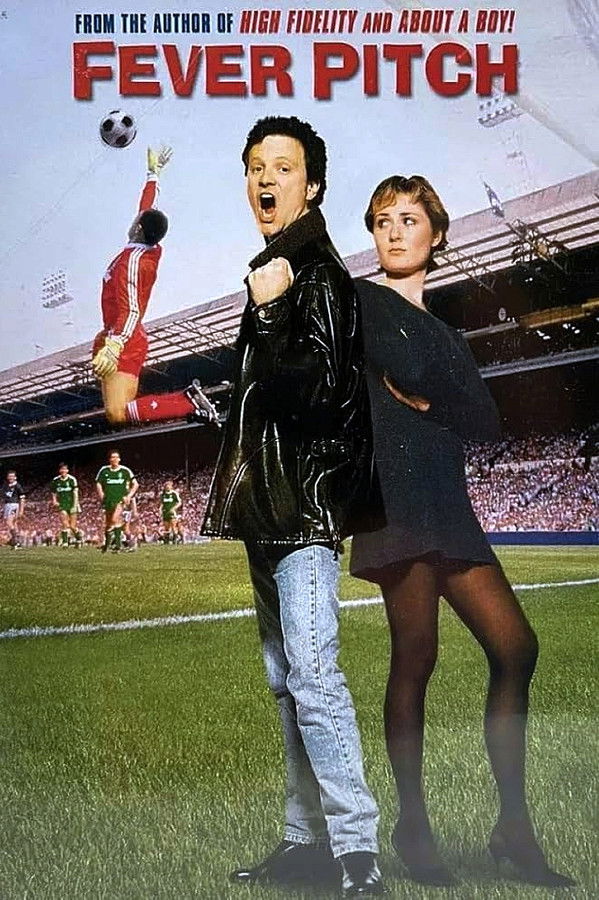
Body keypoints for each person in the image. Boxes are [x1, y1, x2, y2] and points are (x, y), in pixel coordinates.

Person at [350, 175, 574, 888]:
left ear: (437, 234)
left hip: (448, 504)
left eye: (408, 219)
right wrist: (429, 391)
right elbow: (408, 370)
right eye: (382, 220)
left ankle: (512, 827)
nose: (393, 231)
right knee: (416, 657)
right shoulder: (364, 302)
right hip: (395, 500)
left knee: (516, 647)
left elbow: (484, 420)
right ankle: (413, 827)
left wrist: (430, 397)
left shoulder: (447, 330)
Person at [202, 116, 384, 897]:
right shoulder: (276, 267)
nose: (264, 179)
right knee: (287, 681)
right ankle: (305, 842)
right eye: (254, 166)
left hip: (302, 509)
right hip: (269, 508)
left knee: (312, 677)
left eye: (282, 166)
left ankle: (357, 856)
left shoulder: (312, 275)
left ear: (312, 185)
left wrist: (273, 312)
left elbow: (319, 397)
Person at [92, 147, 217, 427]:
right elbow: (147, 206)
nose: (134, 219)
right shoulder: (143, 246)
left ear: (138, 229)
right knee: (117, 413)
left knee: (117, 414)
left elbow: (132, 310)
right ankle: (186, 402)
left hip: (124, 338)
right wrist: (153, 174)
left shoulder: (132, 262)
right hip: (119, 334)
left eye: (136, 220)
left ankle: (186, 402)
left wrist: (114, 345)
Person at [95, 449, 138, 553]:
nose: (114, 459)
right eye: (112, 457)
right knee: (108, 524)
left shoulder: (125, 470)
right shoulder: (104, 470)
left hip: (120, 500)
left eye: (116, 457)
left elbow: (136, 484)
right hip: (108, 500)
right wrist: (101, 494)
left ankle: (118, 545)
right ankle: (107, 545)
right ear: (109, 459)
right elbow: (98, 483)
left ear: (119, 459)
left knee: (115, 519)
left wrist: (129, 496)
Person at [50, 462, 83, 548]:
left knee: (72, 526)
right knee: (65, 523)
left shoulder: (72, 479)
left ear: (67, 470)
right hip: (62, 504)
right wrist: (54, 500)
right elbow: (53, 492)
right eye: (62, 469)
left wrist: (75, 505)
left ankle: (78, 536)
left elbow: (75, 493)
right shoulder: (56, 480)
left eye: (65, 469)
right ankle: (65, 542)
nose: (63, 471)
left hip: (72, 504)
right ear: (59, 470)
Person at [3, 470, 25, 548]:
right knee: (14, 524)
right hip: (7, 505)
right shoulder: (6, 486)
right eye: (9, 476)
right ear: (7, 477)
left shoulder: (18, 486)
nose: (11, 477)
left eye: (12, 476)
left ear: (15, 477)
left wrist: (21, 510)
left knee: (9, 523)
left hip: (13, 505)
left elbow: (22, 498)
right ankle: (17, 542)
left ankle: (15, 541)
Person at [159, 479, 181, 544]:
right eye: (166, 485)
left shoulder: (174, 493)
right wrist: (160, 510)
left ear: (171, 486)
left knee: (173, 526)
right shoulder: (162, 494)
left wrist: (174, 508)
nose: (167, 486)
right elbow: (162, 503)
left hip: (172, 512)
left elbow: (179, 502)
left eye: (169, 485)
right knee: (166, 527)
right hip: (165, 512)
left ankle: (175, 540)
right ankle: (167, 540)